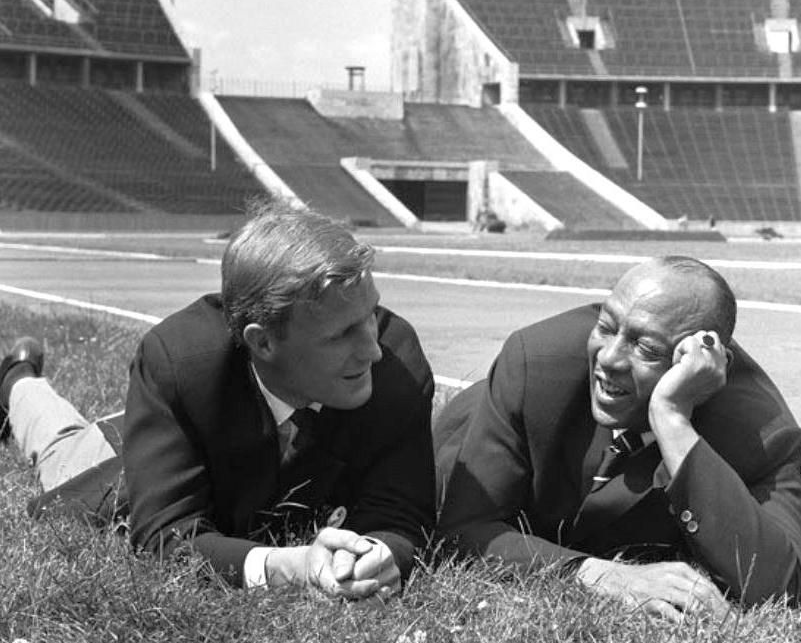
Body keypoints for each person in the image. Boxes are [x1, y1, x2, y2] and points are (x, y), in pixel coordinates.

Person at [0, 201, 436, 599]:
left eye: (370, 316)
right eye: (342, 333)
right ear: (262, 343)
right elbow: (165, 535)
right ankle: (17, 382)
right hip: (130, 448)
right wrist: (289, 566)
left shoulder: (398, 367)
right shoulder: (180, 364)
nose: (372, 349)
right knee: (63, 447)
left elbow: (402, 511)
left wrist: (380, 555)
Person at [435, 256, 801, 617]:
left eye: (646, 348)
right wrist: (600, 574)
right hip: (464, 431)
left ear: (703, 365)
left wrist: (672, 420)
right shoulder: (536, 363)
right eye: (606, 327)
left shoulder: (764, 434)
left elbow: (776, 585)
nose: (609, 358)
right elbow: (462, 528)